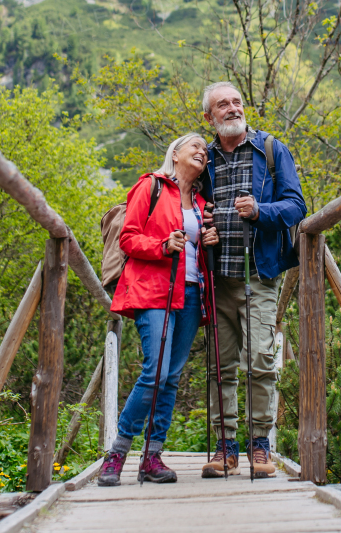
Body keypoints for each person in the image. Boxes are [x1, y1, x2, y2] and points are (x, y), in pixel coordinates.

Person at [98, 134, 219, 486]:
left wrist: (211, 239)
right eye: (194, 146)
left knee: (172, 377)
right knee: (155, 372)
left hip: (193, 293)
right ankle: (117, 452)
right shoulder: (150, 186)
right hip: (154, 290)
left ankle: (152, 457)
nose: (202, 151)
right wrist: (162, 245)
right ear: (175, 153)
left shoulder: (200, 202)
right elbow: (128, 238)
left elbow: (199, 248)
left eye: (205, 151)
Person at [199, 82, 306, 479]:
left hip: (259, 275)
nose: (232, 109)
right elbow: (187, 206)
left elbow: (297, 205)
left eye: (237, 102)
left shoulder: (271, 150)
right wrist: (202, 235)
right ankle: (225, 448)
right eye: (222, 105)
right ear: (208, 116)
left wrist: (261, 210)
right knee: (219, 367)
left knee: (260, 359)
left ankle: (260, 448)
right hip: (217, 277)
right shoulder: (203, 157)